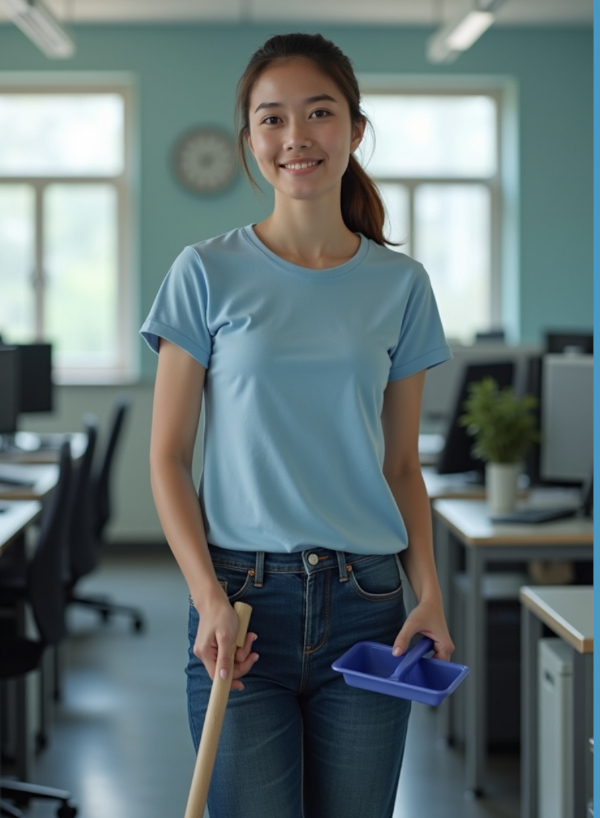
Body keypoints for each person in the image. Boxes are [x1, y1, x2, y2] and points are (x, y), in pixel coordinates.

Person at [141, 31, 455, 818]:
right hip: (242, 604)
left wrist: (430, 594)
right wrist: (208, 598)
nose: (296, 138)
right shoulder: (204, 272)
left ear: (353, 128)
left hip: (370, 601)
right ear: (250, 140)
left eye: (318, 113)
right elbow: (169, 460)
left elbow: (401, 469)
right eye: (271, 119)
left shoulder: (402, 285)